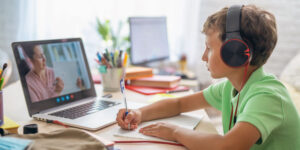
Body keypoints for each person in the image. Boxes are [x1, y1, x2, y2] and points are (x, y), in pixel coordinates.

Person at [116, 5, 300, 150]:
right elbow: (179, 104)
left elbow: (228, 146)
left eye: (209, 48)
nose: (204, 56)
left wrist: (175, 132)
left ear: (236, 52)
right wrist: (140, 113)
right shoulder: (230, 87)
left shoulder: (268, 96)